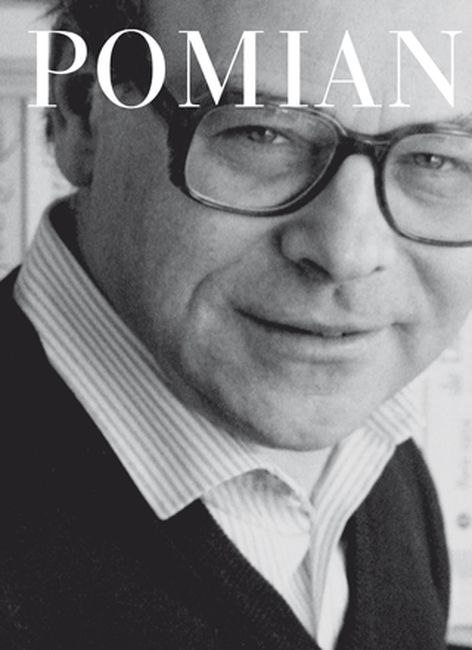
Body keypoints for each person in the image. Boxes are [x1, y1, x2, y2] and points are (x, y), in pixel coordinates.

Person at [1, 0, 471, 648]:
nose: (348, 255)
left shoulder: (381, 457)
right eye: (263, 134)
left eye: (436, 161)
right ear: (82, 108)